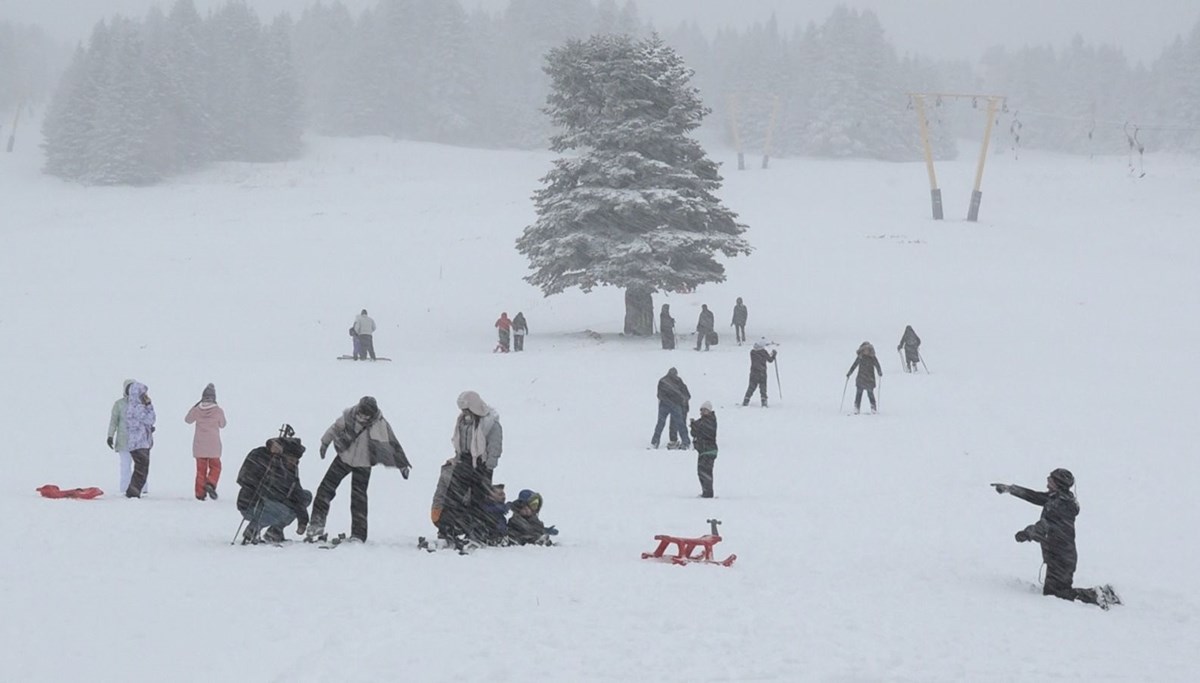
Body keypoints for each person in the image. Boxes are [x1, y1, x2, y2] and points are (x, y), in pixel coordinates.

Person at [992, 469, 1113, 607]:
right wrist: (1011, 489)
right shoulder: (1059, 498)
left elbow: (1044, 526)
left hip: (1061, 557)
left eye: (1051, 479)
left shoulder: (1059, 506)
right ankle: (1102, 594)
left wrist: (1027, 533)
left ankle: (1096, 595)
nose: (1048, 480)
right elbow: (1036, 497)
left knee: (1057, 594)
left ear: (1059, 484)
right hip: (1059, 554)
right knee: (1054, 592)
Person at [309, 396, 411, 543]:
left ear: (373, 413)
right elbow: (334, 429)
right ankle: (316, 526)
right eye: (362, 413)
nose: (363, 417)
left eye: (367, 415)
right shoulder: (348, 416)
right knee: (325, 489)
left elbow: (392, 444)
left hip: (364, 463)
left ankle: (358, 534)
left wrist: (402, 465)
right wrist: (324, 444)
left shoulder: (380, 424)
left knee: (358, 499)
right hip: (344, 458)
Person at [446, 390, 504, 542]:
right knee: (456, 497)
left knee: (478, 500)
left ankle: (478, 530)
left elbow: (495, 446)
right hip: (464, 463)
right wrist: (456, 457)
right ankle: (454, 528)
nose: (464, 412)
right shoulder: (463, 422)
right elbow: (459, 441)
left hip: (481, 465)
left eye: (466, 409)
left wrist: (489, 466)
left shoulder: (490, 424)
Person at [236, 432, 312, 545]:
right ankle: (252, 530)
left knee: (306, 496)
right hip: (251, 502)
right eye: (291, 458)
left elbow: (297, 494)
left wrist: (303, 520)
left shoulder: (291, 469)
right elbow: (243, 478)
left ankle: (275, 531)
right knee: (283, 510)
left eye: (296, 460)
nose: (294, 462)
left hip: (274, 502)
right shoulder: (262, 455)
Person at [185, 383, 227, 501]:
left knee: (200, 470)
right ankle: (211, 482)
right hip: (213, 444)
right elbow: (223, 424)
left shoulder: (197, 410)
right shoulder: (218, 410)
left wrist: (195, 406)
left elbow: (187, 420)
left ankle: (200, 494)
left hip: (199, 444)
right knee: (216, 466)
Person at [107, 379, 147, 496]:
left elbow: (147, 418)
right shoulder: (119, 404)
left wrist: (149, 430)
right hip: (124, 440)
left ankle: (142, 488)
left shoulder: (142, 402)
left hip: (139, 440)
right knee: (125, 465)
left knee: (140, 465)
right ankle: (125, 487)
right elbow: (114, 421)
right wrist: (110, 435)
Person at [124, 382, 156, 498]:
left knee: (140, 467)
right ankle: (133, 492)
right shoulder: (138, 407)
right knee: (142, 468)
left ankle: (133, 490)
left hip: (135, 442)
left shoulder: (131, 406)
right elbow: (150, 419)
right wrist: (149, 405)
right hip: (140, 442)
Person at [651, 367, 691, 450]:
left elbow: (660, 395)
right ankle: (685, 442)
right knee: (679, 424)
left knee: (662, 424)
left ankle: (655, 442)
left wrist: (673, 400)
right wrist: (679, 400)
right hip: (672, 405)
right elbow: (685, 394)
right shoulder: (676, 381)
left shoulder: (663, 381)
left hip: (666, 405)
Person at [689, 401, 718, 498]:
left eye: (705, 410)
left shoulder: (710, 421)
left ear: (709, 411)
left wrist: (695, 425)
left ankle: (708, 493)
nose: (702, 412)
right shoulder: (702, 421)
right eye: (701, 410)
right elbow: (694, 433)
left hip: (708, 450)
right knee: (701, 472)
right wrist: (693, 426)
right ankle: (706, 492)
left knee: (705, 472)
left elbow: (704, 430)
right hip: (703, 451)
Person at [846, 342, 882, 414]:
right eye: (864, 349)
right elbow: (854, 365)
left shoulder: (872, 358)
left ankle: (873, 407)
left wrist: (879, 371)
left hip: (869, 379)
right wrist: (849, 373)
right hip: (861, 379)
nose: (866, 351)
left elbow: (877, 365)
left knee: (870, 394)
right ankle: (857, 407)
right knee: (858, 394)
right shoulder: (860, 357)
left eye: (867, 349)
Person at [742, 339, 777, 407]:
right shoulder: (764, 352)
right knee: (763, 388)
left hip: (754, 372)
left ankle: (746, 400)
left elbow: (760, 357)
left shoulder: (752, 352)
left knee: (751, 387)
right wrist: (774, 355)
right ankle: (764, 401)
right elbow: (770, 360)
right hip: (762, 372)